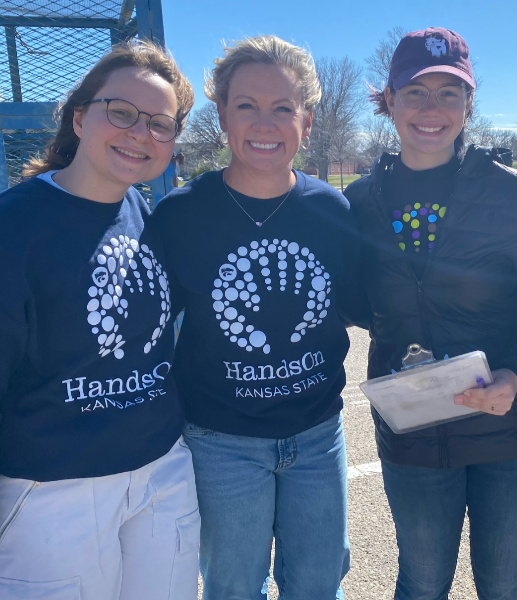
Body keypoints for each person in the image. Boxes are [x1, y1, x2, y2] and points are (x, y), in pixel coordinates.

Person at [0, 41, 199, 600]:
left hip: (159, 476)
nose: (140, 133)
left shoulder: (140, 213)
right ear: (80, 118)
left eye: (161, 124)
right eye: (122, 113)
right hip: (50, 495)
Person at [343, 27, 517, 600]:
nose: (432, 109)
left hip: (509, 427)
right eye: (415, 92)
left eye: (450, 93)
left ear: (470, 104)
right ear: (388, 101)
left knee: (503, 585)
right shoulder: (360, 203)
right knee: (421, 582)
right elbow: (350, 302)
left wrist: (516, 376)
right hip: (414, 429)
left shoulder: (516, 195)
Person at [149, 36, 359, 600]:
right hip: (222, 439)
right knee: (233, 586)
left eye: (282, 108)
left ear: (307, 121)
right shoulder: (180, 216)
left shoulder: (331, 211)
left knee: (317, 584)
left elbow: (366, 301)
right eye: (246, 105)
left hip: (317, 434)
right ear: (221, 115)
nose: (265, 123)